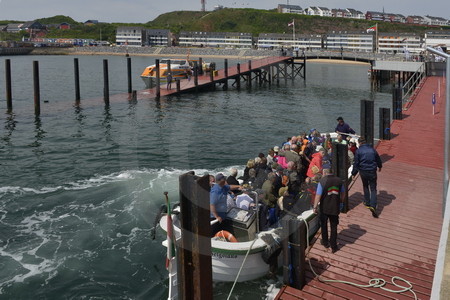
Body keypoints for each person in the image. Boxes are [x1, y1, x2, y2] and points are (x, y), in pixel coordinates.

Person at [313, 169, 345, 253]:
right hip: (335, 207)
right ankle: (334, 246)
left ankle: (325, 242)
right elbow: (343, 193)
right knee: (334, 226)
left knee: (323, 225)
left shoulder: (322, 181)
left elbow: (318, 195)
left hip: (324, 207)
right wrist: (341, 200)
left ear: (325, 173)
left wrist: (315, 207)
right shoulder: (339, 181)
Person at [351, 137, 382, 218]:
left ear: (360, 143)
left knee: (365, 186)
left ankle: (367, 202)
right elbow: (378, 159)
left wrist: (353, 173)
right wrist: (380, 166)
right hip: (372, 171)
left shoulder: (358, 151)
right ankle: (373, 205)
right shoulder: (372, 150)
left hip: (363, 171)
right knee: (373, 188)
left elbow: (356, 163)